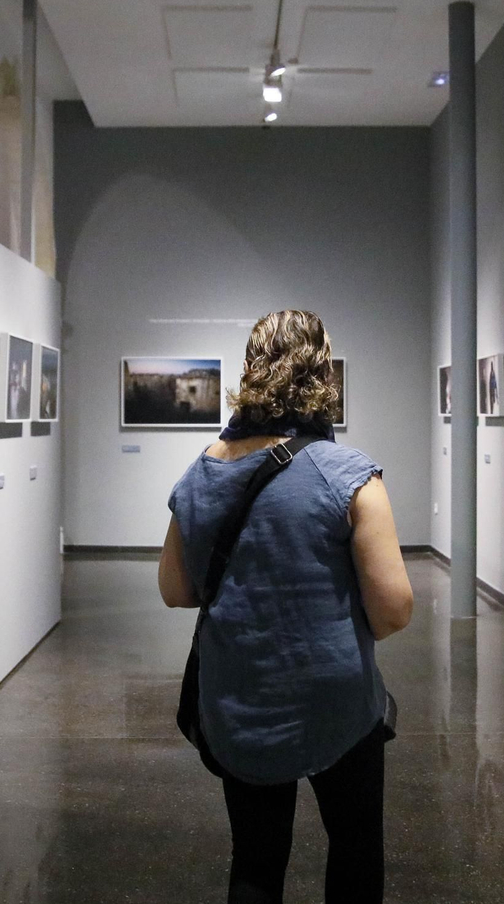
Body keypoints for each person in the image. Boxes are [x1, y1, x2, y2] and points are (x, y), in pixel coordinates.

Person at [160, 310, 412, 904]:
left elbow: (175, 590)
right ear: (323, 373)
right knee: (354, 853)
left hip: (238, 699)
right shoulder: (349, 475)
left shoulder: (202, 473)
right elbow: (394, 609)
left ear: (251, 370)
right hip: (338, 705)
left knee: (255, 860)